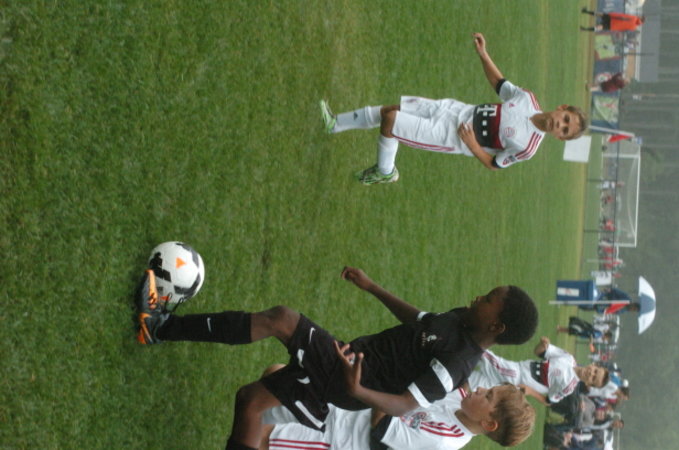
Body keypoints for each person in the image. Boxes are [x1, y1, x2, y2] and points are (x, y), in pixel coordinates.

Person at [136, 266, 538, 450]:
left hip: (344, 394)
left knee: (282, 320)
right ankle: (159, 327)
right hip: (350, 366)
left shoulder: (456, 370)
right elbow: (419, 322)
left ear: (496, 325)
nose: (479, 297)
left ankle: (160, 327)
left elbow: (402, 405)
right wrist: (373, 287)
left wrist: (358, 388)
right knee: (251, 401)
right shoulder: (459, 323)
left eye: (489, 299)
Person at [318, 32, 587, 185]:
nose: (560, 124)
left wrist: (471, 144)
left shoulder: (527, 147)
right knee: (392, 108)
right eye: (566, 118)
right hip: (452, 110)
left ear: (559, 137)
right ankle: (335, 123)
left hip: (449, 137)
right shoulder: (527, 98)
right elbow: (500, 84)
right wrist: (484, 55)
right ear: (562, 108)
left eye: (565, 129)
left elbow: (494, 164)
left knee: (390, 121)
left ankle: (385, 171)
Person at [260, 362, 535, 449]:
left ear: (488, 423)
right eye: (488, 388)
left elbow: (382, 425)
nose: (481, 389)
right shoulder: (460, 399)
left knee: (259, 433)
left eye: (488, 397)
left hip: (337, 438)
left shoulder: (443, 440)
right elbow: (454, 370)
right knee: (276, 375)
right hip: (346, 408)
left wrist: (393, 385)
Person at [466, 337, 609, 406]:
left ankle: (467, 341)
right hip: (520, 367)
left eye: (593, 378)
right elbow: (539, 352)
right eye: (595, 371)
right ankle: (459, 375)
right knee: (476, 383)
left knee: (488, 358)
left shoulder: (568, 386)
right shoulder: (568, 358)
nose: (591, 373)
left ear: (589, 384)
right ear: (593, 365)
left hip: (518, 378)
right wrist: (542, 345)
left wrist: (530, 391)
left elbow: (549, 401)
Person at [580, 8, 645, 33]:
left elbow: (623, 17)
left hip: (614, 18)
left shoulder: (634, 18)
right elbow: (624, 30)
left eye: (640, 16)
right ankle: (584, 29)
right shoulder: (634, 28)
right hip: (614, 26)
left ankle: (585, 11)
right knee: (600, 27)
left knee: (600, 14)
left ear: (640, 18)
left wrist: (613, 14)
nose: (639, 16)